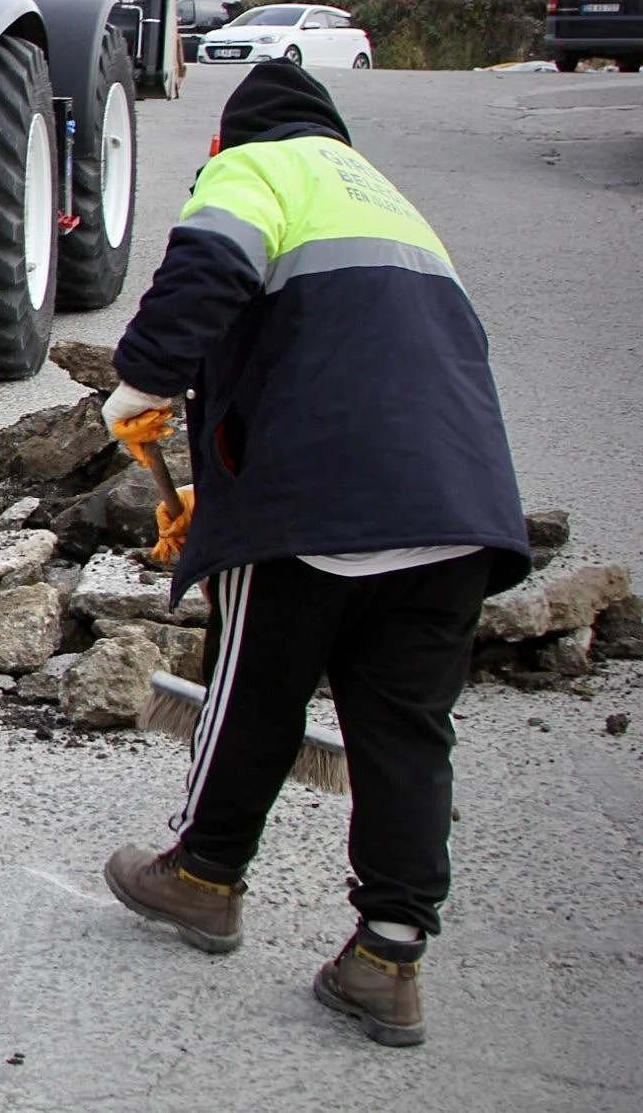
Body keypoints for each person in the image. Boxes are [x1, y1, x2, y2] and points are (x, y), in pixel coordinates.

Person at [97, 60, 526, 1048]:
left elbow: (208, 270)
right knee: (407, 736)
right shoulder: (388, 202)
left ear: (226, 139)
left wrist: (142, 379)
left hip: (318, 508)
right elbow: (374, 355)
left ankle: (202, 877)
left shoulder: (258, 167)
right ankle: (387, 959)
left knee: (251, 693)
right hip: (456, 508)